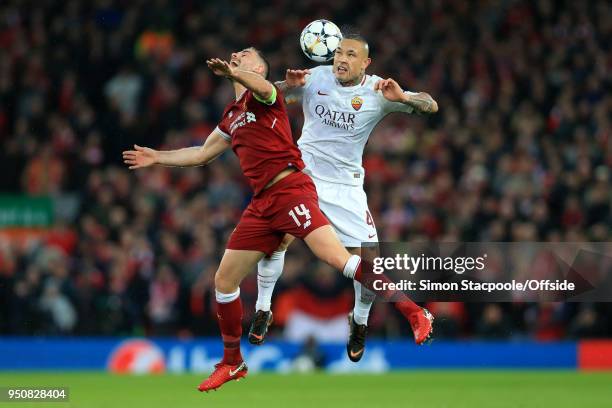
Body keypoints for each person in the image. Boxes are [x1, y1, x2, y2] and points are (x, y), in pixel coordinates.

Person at [122, 46, 433, 392]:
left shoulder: (266, 97)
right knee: (224, 281)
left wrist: (234, 74)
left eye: (245, 55)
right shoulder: (232, 114)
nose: (236, 55)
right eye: (235, 55)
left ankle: (415, 312)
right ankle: (232, 362)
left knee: (342, 261)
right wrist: (157, 157)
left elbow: (266, 87)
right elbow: (201, 153)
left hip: (291, 189)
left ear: (258, 69)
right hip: (262, 203)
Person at [249, 33, 438, 362]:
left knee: (370, 263)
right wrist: (287, 85)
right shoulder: (315, 78)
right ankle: (263, 309)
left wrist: (405, 97)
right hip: (302, 176)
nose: (341, 59)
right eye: (338, 52)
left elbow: (430, 105)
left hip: (345, 187)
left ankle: (359, 322)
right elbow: (268, 99)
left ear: (365, 63)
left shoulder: (379, 91)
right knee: (277, 240)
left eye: (350, 54)